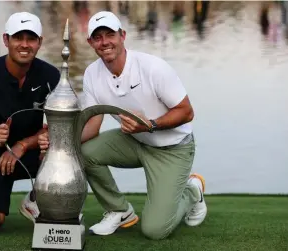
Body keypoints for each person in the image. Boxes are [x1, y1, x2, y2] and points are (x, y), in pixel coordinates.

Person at [38, 11, 207, 240]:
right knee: (81, 152)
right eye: (98, 37)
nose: (105, 42)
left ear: (123, 35)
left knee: (155, 230)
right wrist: (60, 144)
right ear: (90, 42)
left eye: (110, 34)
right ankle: (119, 210)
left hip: (173, 148)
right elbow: (92, 127)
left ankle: (192, 191)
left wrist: (150, 125)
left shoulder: (152, 67)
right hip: (135, 140)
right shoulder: (91, 74)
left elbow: (187, 112)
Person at [0, 12, 60, 235]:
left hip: (32, 153)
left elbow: (60, 127)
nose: (24, 45)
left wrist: (23, 145)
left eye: (31, 38)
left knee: (65, 149)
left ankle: (36, 199)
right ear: (6, 40)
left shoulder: (51, 75)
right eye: (18, 38)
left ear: (39, 42)